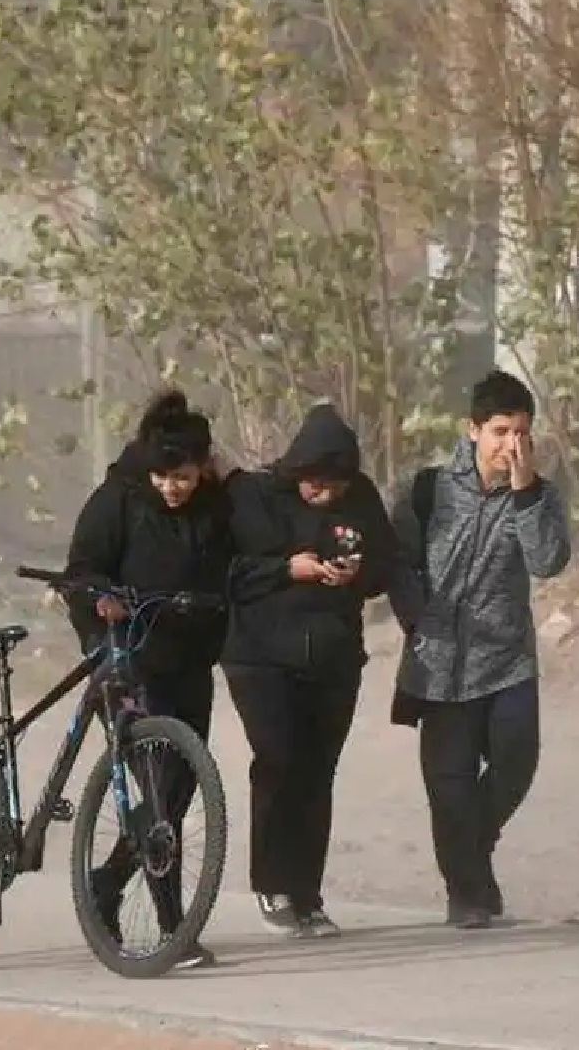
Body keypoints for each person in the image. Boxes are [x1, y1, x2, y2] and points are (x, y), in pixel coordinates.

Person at [388, 369, 572, 929]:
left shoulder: (538, 495)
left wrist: (526, 495)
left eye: (520, 432)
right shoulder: (429, 488)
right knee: (449, 785)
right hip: (438, 665)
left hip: (507, 660)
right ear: (472, 430)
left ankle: (475, 844)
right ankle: (468, 894)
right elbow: (397, 564)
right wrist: (416, 619)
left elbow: (547, 562)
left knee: (517, 760)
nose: (509, 445)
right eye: (498, 431)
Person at [64, 389, 232, 969]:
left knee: (183, 791)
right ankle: (172, 927)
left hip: (190, 663)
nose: (173, 488)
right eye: (164, 476)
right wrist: (101, 611)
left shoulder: (217, 505)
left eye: (183, 476)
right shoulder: (118, 498)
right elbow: (80, 572)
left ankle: (106, 883)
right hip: (128, 660)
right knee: (159, 793)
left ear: (202, 468)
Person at [221, 402, 396, 939]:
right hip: (260, 656)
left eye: (336, 487)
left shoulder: (361, 497)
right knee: (279, 760)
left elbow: (385, 562)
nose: (327, 496)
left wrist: (357, 576)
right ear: (297, 471)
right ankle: (272, 883)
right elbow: (226, 572)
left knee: (317, 774)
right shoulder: (252, 496)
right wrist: (284, 569)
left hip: (334, 656)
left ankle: (307, 895)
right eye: (317, 485)